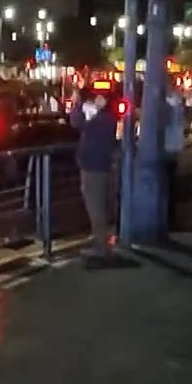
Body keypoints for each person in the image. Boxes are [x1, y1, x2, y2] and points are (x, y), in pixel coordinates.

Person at [70, 88, 118, 259]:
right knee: (101, 207)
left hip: (93, 168)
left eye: (100, 97)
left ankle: (101, 247)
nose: (96, 100)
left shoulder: (102, 119)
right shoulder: (107, 118)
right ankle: (102, 239)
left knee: (96, 208)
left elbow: (76, 122)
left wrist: (77, 104)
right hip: (100, 166)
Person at [163, 85, 186, 231]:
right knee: (171, 187)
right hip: (173, 151)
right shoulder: (179, 109)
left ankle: (168, 219)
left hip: (167, 150)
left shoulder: (170, 110)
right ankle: (171, 219)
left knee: (166, 187)